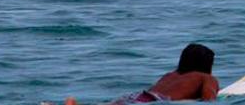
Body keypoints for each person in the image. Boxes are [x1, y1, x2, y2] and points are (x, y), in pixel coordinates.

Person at [59, 43, 219, 105]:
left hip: (137, 97)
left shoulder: (169, 75)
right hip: (156, 102)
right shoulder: (206, 78)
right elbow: (208, 101)